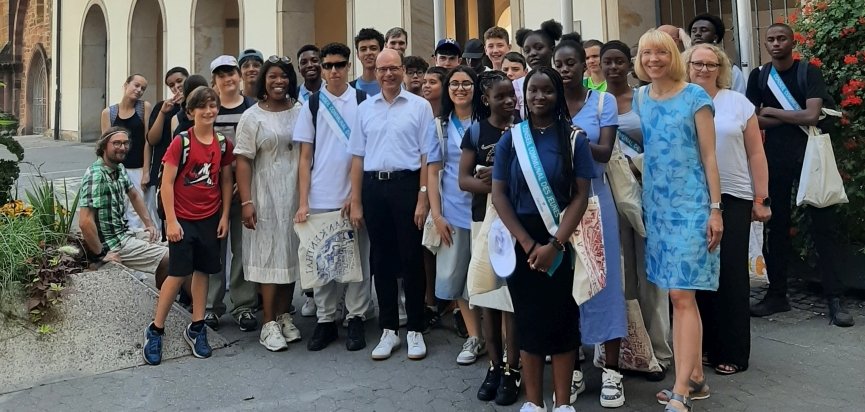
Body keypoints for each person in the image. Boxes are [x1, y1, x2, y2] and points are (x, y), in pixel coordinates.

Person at [491, 66, 594, 412]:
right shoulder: (511, 139)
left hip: (562, 237)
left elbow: (581, 195)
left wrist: (556, 244)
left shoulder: (574, 139)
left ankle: (562, 403)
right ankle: (534, 403)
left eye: (547, 90)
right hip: (523, 239)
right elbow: (499, 195)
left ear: (557, 94)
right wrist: (527, 243)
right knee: (528, 320)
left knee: (563, 319)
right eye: (533, 90)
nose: (539, 97)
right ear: (525, 95)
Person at [633, 29, 723, 412]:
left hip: (692, 207)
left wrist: (716, 209)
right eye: (646, 53)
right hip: (657, 209)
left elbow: (710, 156)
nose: (653, 59)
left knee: (681, 295)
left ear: (673, 55)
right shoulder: (640, 98)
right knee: (679, 295)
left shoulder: (695, 97)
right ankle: (696, 378)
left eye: (661, 52)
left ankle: (682, 390)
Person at [746, 23, 854, 327]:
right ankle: (776, 295)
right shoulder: (759, 76)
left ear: (792, 42)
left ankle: (835, 298)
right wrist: (790, 117)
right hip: (774, 159)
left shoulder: (809, 72)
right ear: (765, 44)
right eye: (771, 39)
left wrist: (773, 112)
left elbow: (811, 116)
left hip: (811, 156)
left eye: (782, 38)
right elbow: (752, 121)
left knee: (823, 225)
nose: (776, 43)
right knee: (776, 228)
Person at [686, 43, 771, 375]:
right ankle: (705, 346)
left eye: (711, 64)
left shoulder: (738, 103)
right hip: (692, 196)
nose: (704, 69)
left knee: (731, 273)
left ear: (721, 69)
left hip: (734, 195)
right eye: (698, 63)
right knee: (698, 273)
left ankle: (733, 351)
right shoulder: (680, 100)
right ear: (687, 66)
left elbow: (756, 153)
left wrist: (761, 198)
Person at [554, 33, 627, 408]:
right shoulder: (548, 102)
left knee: (604, 282)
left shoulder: (603, 101)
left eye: (571, 63)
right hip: (558, 204)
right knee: (566, 286)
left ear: (585, 65)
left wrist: (575, 137)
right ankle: (575, 367)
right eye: (559, 64)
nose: (565, 70)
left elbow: (605, 151)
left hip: (596, 201)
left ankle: (612, 370)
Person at [348, 49, 433, 361]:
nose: (388, 74)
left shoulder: (420, 107)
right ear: (375, 72)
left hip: (407, 185)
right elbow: (357, 157)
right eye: (382, 69)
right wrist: (356, 200)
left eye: (394, 68)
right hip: (374, 187)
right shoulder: (365, 109)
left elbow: (427, 156)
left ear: (402, 69)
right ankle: (388, 329)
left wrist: (423, 197)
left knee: (411, 258)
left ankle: (415, 329)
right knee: (380, 259)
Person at [142, 86, 235, 366]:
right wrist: (171, 220)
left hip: (209, 218)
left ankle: (197, 325)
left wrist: (224, 216)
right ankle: (156, 328)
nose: (209, 111)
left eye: (213, 105)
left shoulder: (222, 144)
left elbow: (226, 181)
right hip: (182, 219)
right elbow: (167, 183)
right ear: (191, 112)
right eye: (202, 107)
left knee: (203, 271)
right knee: (178, 272)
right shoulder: (181, 142)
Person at [600, 40, 673, 380]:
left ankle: (659, 350)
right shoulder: (595, 102)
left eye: (619, 61)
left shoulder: (645, 99)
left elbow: (662, 144)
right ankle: (631, 350)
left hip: (647, 192)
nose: (613, 67)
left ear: (629, 64)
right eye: (607, 61)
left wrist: (634, 164)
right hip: (610, 196)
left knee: (652, 274)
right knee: (622, 273)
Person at [293, 42, 373, 352]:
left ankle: (356, 317)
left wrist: (356, 195)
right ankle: (326, 319)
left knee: (358, 259)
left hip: (354, 195)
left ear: (348, 66)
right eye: (328, 65)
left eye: (340, 64)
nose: (334, 70)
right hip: (320, 195)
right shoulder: (312, 104)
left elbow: (366, 153)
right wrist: (303, 201)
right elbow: (304, 157)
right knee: (322, 260)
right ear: (322, 69)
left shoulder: (363, 101)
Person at [459, 70, 521, 406]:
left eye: (512, 95)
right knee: (488, 296)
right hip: (483, 221)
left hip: (516, 222)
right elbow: (463, 179)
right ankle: (495, 366)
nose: (509, 101)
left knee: (510, 300)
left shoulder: (524, 128)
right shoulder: (476, 132)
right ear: (486, 100)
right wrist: (494, 183)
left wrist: (502, 180)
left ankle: (514, 367)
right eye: (501, 96)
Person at [233, 55, 303, 352]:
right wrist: (246, 201)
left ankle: (285, 316)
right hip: (264, 194)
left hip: (294, 193)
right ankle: (268, 323)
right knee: (268, 256)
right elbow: (243, 160)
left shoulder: (300, 110)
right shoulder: (252, 116)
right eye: (272, 76)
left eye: (284, 76)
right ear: (263, 80)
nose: (279, 81)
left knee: (289, 254)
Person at [426, 65, 485, 364]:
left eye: (466, 83)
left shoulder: (486, 121)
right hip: (453, 211)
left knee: (488, 275)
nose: (460, 89)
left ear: (476, 88)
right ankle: (475, 337)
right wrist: (437, 216)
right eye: (454, 84)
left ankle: (499, 338)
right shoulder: (440, 126)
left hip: (487, 211)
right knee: (457, 275)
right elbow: (433, 171)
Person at [205, 55, 259, 333]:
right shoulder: (209, 110)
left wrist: (243, 183)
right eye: (221, 75)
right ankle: (211, 306)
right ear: (214, 81)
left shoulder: (252, 108)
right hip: (213, 192)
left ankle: (244, 304)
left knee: (243, 249)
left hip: (246, 190)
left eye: (231, 73)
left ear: (239, 76)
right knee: (214, 249)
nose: (227, 79)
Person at [79, 127, 168, 284]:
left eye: (125, 143)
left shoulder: (118, 168)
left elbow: (134, 195)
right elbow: (85, 222)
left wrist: (149, 224)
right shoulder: (97, 176)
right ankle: (164, 297)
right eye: (117, 143)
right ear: (104, 146)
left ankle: (176, 296)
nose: (122, 147)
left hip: (125, 233)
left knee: (177, 248)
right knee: (169, 258)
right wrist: (101, 255)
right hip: (113, 245)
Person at [101, 74, 153, 232]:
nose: (139, 90)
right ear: (126, 85)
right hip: (118, 170)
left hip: (138, 168)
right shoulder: (109, 113)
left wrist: (146, 171)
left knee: (139, 210)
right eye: (136, 85)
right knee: (119, 208)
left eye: (143, 88)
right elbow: (105, 146)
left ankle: (141, 241)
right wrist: (107, 173)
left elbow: (148, 140)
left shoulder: (144, 108)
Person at [146, 67, 189, 233]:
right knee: (162, 216)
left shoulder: (197, 107)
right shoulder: (162, 107)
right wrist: (163, 113)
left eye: (179, 81)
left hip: (188, 172)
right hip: (163, 168)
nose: (176, 87)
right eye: (171, 85)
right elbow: (152, 139)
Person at [687, 13, 747, 94]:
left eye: (704, 30)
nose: (697, 34)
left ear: (715, 37)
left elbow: (739, 97)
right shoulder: (681, 65)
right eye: (693, 31)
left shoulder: (731, 70)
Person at [515, 20, 563, 117]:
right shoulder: (517, 86)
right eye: (527, 51)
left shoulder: (564, 80)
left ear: (552, 49)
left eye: (539, 48)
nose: (532, 53)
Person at [351, 28, 384, 96]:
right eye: (363, 49)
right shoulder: (350, 88)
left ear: (381, 52)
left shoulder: (392, 86)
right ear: (358, 55)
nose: (368, 53)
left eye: (373, 48)